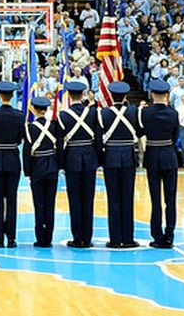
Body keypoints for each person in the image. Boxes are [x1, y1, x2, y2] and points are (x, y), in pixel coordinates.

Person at [58, 80, 100, 248]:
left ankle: (77, 238)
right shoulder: (93, 113)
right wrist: (98, 159)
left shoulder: (63, 115)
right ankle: (87, 237)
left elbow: (60, 143)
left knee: (74, 199)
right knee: (88, 199)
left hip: (72, 159)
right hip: (90, 158)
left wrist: (61, 163)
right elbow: (97, 139)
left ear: (69, 95)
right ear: (83, 95)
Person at [140, 78, 179, 249]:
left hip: (152, 156)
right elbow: (175, 136)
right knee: (170, 199)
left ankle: (157, 235)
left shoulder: (145, 113)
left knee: (155, 199)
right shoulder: (173, 113)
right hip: (169, 155)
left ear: (152, 94)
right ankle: (169, 235)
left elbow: (141, 131)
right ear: (167, 94)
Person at [99, 81, 139, 248]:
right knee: (127, 198)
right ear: (125, 96)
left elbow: (99, 135)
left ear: (110, 95)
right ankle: (128, 238)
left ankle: (115, 239)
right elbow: (139, 130)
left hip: (110, 157)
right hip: (128, 157)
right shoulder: (133, 111)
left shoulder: (104, 113)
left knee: (113, 198)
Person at [0, 81, 24, 248]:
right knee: (12, 199)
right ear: (12, 96)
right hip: (12, 158)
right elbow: (19, 138)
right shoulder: (19, 115)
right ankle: (11, 238)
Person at [23, 96, 59, 247]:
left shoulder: (30, 128)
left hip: (37, 167)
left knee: (39, 204)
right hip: (52, 165)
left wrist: (27, 172)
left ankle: (40, 238)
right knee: (50, 203)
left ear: (35, 110)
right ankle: (49, 237)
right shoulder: (54, 126)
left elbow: (26, 152)